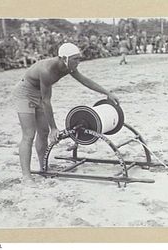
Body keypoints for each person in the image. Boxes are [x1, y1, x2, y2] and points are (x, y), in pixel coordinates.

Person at [12, 42, 119, 185]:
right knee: (29, 134)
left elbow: (85, 81)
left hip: (39, 94)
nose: (78, 62)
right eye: (76, 59)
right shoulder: (47, 70)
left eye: (79, 58)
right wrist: (54, 128)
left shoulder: (68, 67)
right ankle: (26, 176)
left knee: (43, 133)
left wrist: (107, 93)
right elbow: (46, 101)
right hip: (25, 94)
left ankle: (43, 167)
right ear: (64, 58)